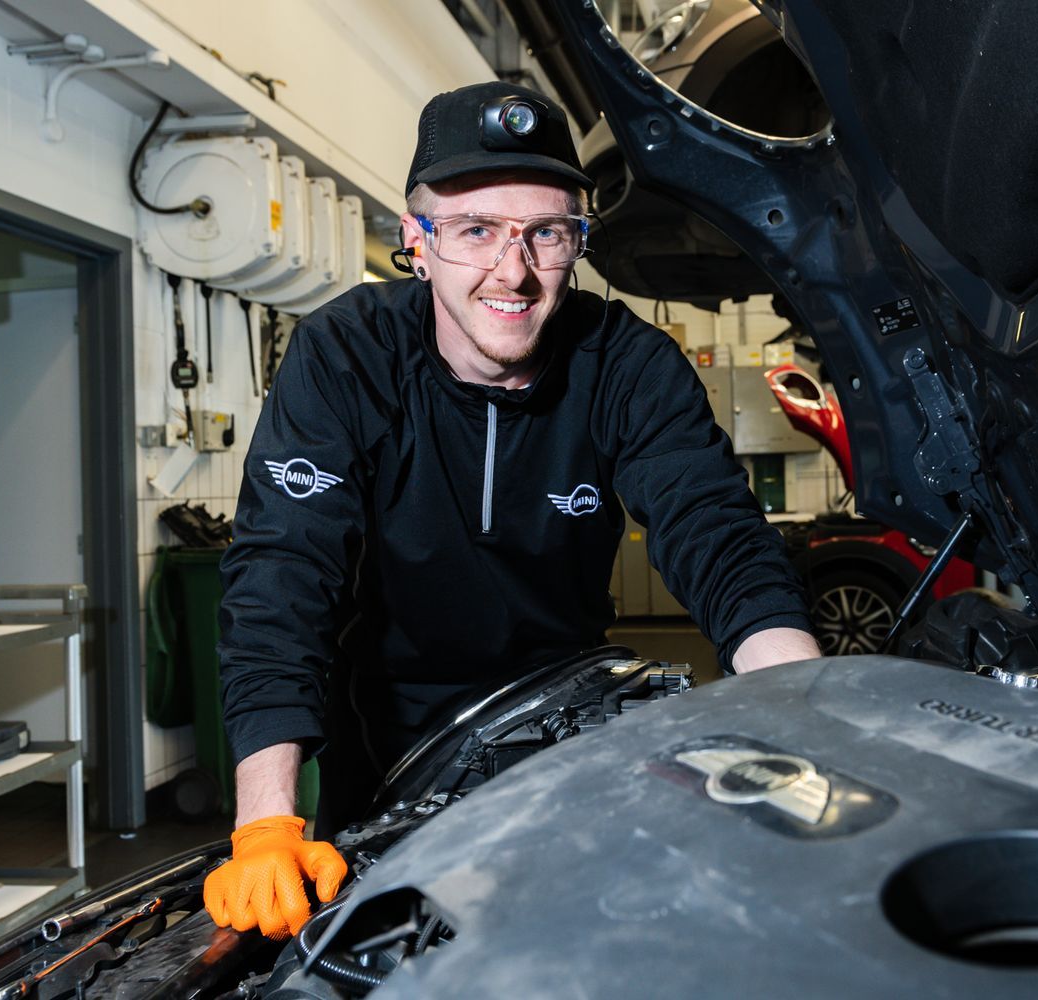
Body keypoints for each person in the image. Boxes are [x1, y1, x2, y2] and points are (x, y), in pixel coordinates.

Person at [203, 81, 820, 940]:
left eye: (547, 233)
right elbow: (281, 574)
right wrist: (267, 820)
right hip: (391, 746)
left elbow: (718, 537)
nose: (512, 269)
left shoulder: (626, 364)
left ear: (578, 243)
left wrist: (812, 723)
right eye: (475, 230)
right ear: (417, 244)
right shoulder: (345, 355)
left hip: (570, 728)